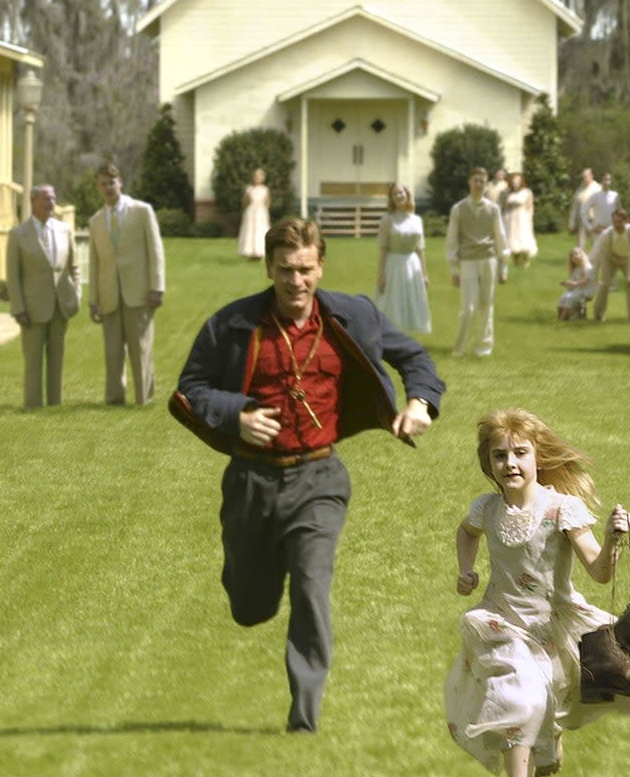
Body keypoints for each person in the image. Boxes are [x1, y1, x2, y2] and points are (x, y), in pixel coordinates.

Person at [174, 216, 444, 733]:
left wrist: (420, 402)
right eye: (284, 271)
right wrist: (237, 415)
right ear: (268, 268)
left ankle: (304, 716)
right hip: (252, 481)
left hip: (319, 479)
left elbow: (415, 357)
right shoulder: (232, 325)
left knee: (311, 586)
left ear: (321, 266)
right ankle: (248, 582)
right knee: (251, 606)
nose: (295, 282)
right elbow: (191, 388)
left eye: (305, 270)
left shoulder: (354, 315)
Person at [444, 409, 630, 777]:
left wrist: (613, 538)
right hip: (501, 622)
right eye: (499, 456)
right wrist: (467, 569)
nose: (510, 464)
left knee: (552, 694)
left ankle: (551, 739)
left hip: (553, 621)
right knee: (518, 698)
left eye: (520, 453)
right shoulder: (486, 508)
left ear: (537, 457)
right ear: (488, 464)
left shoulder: (562, 508)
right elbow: (466, 532)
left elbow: (599, 573)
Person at [88, 161, 165, 405]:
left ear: (119, 182)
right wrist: (93, 300)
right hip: (109, 295)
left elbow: (156, 252)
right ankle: (114, 398)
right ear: (98, 188)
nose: (108, 188)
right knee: (112, 353)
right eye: (103, 184)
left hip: (139, 293)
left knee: (140, 349)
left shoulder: (142, 211)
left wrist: (157, 287)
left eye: (111, 182)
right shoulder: (96, 221)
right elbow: (94, 264)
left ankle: (144, 398)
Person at [6, 183, 81, 408]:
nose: (51, 203)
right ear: (33, 202)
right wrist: (18, 308)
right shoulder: (18, 234)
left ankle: (55, 403)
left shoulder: (64, 229)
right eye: (46, 199)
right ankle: (33, 403)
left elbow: (74, 267)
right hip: (32, 308)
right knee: (33, 359)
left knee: (57, 358)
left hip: (61, 305)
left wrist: (75, 294)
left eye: (53, 198)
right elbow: (13, 276)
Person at [446, 168, 509, 357]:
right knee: (468, 307)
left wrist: (503, 266)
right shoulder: (458, 209)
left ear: (487, 183)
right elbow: (452, 240)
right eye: (476, 180)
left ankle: (483, 348)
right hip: (467, 261)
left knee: (487, 304)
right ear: (469, 182)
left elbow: (501, 238)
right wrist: (453, 269)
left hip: (489, 259)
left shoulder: (493, 209)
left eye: (482, 181)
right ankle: (459, 348)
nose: (479, 184)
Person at [375, 182, 431, 334]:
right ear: (391, 199)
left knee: (410, 302)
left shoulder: (417, 220)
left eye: (401, 192)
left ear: (407, 194)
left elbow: (420, 248)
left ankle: (407, 337)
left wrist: (425, 275)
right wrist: (381, 275)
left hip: (413, 265)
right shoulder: (387, 219)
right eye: (395, 194)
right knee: (393, 302)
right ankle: (391, 335)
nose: (399, 196)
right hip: (394, 264)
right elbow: (383, 248)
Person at [590, 206, 630, 323]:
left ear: (626, 221)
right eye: (614, 222)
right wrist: (592, 273)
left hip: (628, 259)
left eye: (619, 222)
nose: (616, 225)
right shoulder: (606, 234)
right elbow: (598, 252)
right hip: (610, 258)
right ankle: (598, 315)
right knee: (604, 285)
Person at [502, 171, 538, 267]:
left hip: (522, 217)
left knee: (523, 237)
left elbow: (530, 207)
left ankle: (526, 261)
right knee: (512, 238)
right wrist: (504, 217)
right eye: (513, 181)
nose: (515, 183)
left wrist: (529, 218)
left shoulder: (527, 192)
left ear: (521, 182)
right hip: (511, 218)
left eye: (517, 181)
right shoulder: (508, 193)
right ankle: (516, 261)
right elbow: (505, 207)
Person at [236, 167, 271, 260]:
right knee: (250, 230)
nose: (257, 178)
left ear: (263, 178)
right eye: (255, 176)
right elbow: (244, 201)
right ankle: (249, 251)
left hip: (261, 213)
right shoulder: (249, 189)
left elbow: (267, 202)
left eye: (259, 177)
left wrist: (265, 212)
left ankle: (260, 251)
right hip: (251, 212)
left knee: (260, 230)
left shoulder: (265, 189)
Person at [556, 248, 594, 320]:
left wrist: (574, 284)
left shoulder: (587, 267)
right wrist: (567, 284)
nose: (575, 256)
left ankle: (562, 319)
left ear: (582, 255)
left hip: (586, 290)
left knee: (570, 299)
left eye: (577, 254)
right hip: (576, 290)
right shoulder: (576, 269)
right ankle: (560, 317)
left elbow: (586, 280)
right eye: (572, 256)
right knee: (563, 298)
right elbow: (572, 281)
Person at [584, 171, 619, 240]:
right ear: (601, 181)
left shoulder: (615, 195)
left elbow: (620, 212)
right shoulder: (595, 196)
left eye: (608, 179)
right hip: (598, 231)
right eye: (605, 179)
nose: (607, 182)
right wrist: (590, 227)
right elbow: (583, 211)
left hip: (612, 230)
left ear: (611, 181)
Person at [567, 168, 598, 237]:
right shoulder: (579, 189)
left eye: (586, 176)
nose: (585, 178)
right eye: (583, 177)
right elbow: (574, 207)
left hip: (594, 220)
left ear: (591, 176)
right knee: (580, 245)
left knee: (596, 243)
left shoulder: (597, 188)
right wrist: (571, 223)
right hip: (582, 221)